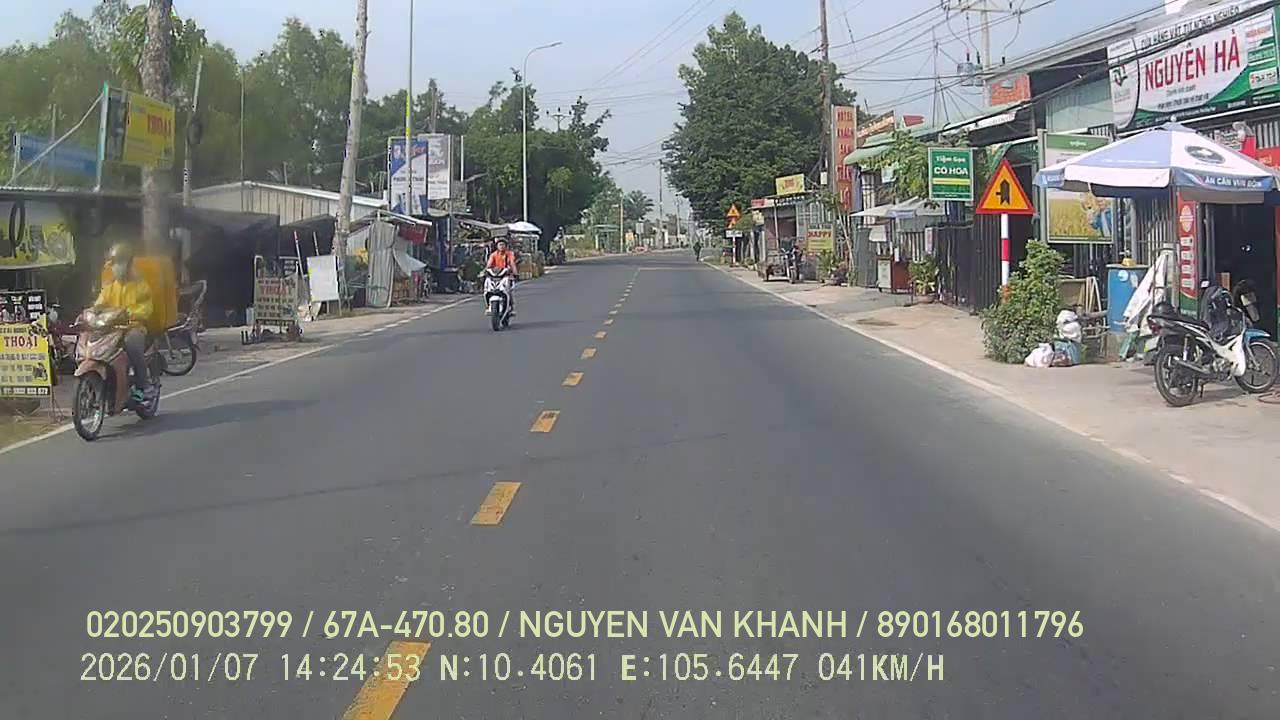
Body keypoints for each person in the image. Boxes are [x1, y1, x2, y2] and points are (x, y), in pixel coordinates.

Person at [95, 242, 155, 404]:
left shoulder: (140, 285)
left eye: (119, 263)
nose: (116, 267)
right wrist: (93, 311)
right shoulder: (110, 287)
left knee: (132, 345)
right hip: (112, 329)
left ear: (128, 263)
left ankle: (145, 386)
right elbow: (99, 303)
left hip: (133, 327)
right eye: (114, 264)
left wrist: (130, 313)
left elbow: (146, 308)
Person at [484, 238, 518, 315]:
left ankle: (511, 307)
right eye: (500, 245)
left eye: (503, 245)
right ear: (497, 246)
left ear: (506, 246)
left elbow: (512, 263)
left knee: (508, 291)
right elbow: (489, 265)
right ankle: (488, 306)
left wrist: (515, 272)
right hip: (495, 276)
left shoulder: (509, 254)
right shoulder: (493, 255)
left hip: (506, 275)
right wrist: (485, 271)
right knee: (487, 289)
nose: (501, 246)